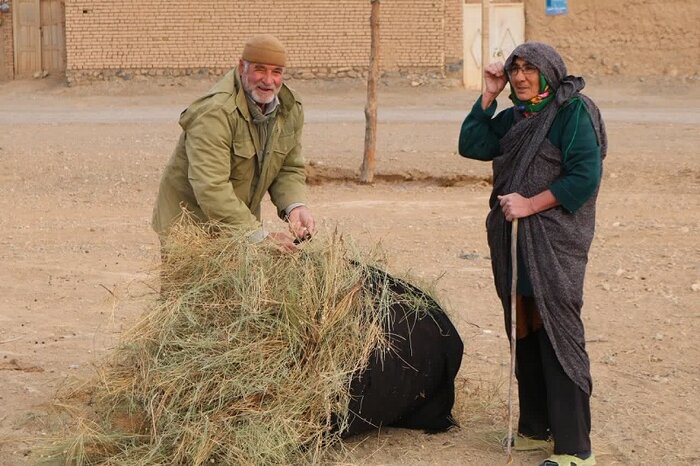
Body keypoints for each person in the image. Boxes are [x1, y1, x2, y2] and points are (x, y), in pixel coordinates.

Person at [458, 42, 607, 466]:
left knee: (557, 326)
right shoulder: (514, 117)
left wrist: (529, 202)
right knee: (522, 321)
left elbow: (584, 176)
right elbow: (471, 144)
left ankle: (575, 448)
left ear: (550, 72)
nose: (521, 77)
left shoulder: (572, 113)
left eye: (530, 69)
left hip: (555, 239)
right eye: (515, 69)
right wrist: (488, 94)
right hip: (513, 239)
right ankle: (534, 428)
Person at [152, 34, 315, 251]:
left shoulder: (288, 108)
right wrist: (259, 235)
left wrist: (294, 206)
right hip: (192, 230)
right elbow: (211, 186)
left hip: (238, 224)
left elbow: (288, 166)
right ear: (242, 67)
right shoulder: (215, 112)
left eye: (276, 72)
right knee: (199, 286)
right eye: (260, 69)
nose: (268, 80)